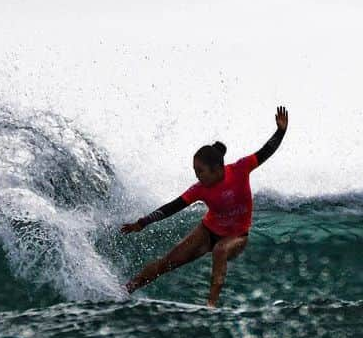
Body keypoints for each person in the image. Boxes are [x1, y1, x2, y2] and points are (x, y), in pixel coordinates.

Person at [121, 106, 289, 307]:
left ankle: (211, 306)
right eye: (195, 170)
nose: (197, 175)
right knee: (165, 263)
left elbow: (266, 152)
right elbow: (172, 207)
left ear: (217, 169)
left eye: (200, 171)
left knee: (220, 250)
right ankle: (126, 289)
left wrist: (280, 131)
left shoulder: (240, 169)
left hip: (237, 237)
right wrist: (142, 222)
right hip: (207, 231)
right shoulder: (200, 189)